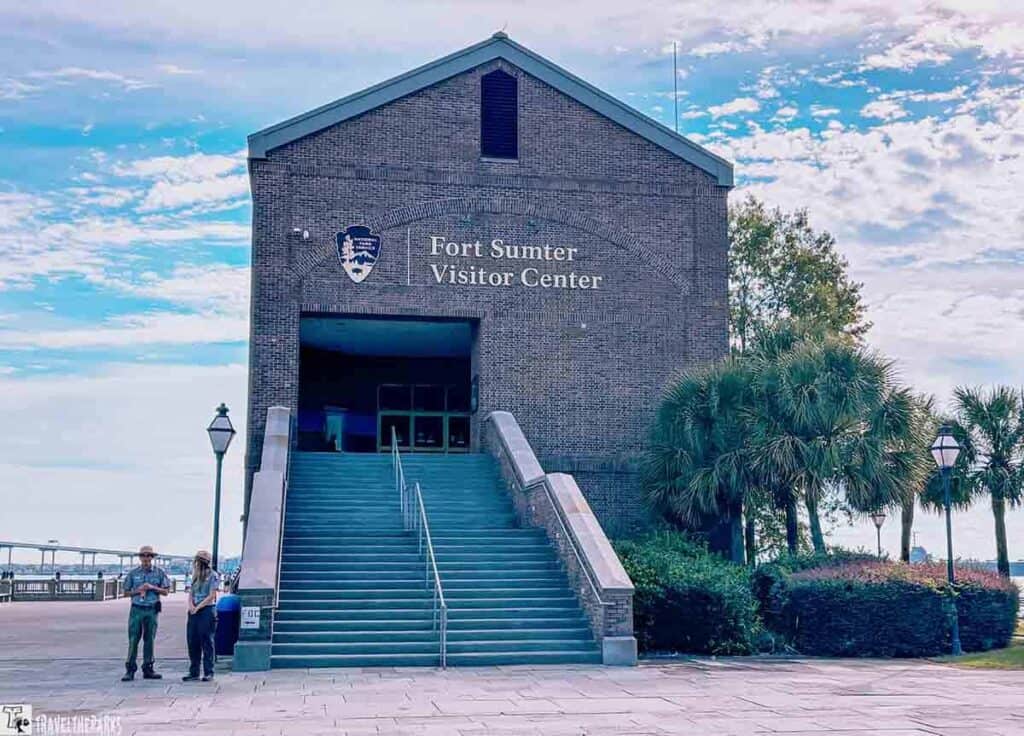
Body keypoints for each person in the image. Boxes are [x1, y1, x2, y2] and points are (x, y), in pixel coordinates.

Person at [121, 545, 170, 681]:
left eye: (149, 555)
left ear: (152, 557)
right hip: (136, 609)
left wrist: (152, 587)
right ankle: (130, 669)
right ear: (140, 557)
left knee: (149, 640)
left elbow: (166, 591)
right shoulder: (133, 573)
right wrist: (139, 590)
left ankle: (148, 668)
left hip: (152, 609)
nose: (146, 558)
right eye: (143, 555)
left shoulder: (159, 573)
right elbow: (125, 592)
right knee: (133, 639)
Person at [182, 550, 220, 682]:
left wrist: (198, 607)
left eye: (198, 561)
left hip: (207, 610)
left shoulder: (213, 575)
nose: (196, 564)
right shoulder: (195, 576)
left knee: (207, 641)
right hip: (193, 611)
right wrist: (191, 606)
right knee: (192, 641)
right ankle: (194, 671)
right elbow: (191, 593)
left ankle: (209, 672)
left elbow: (211, 596)